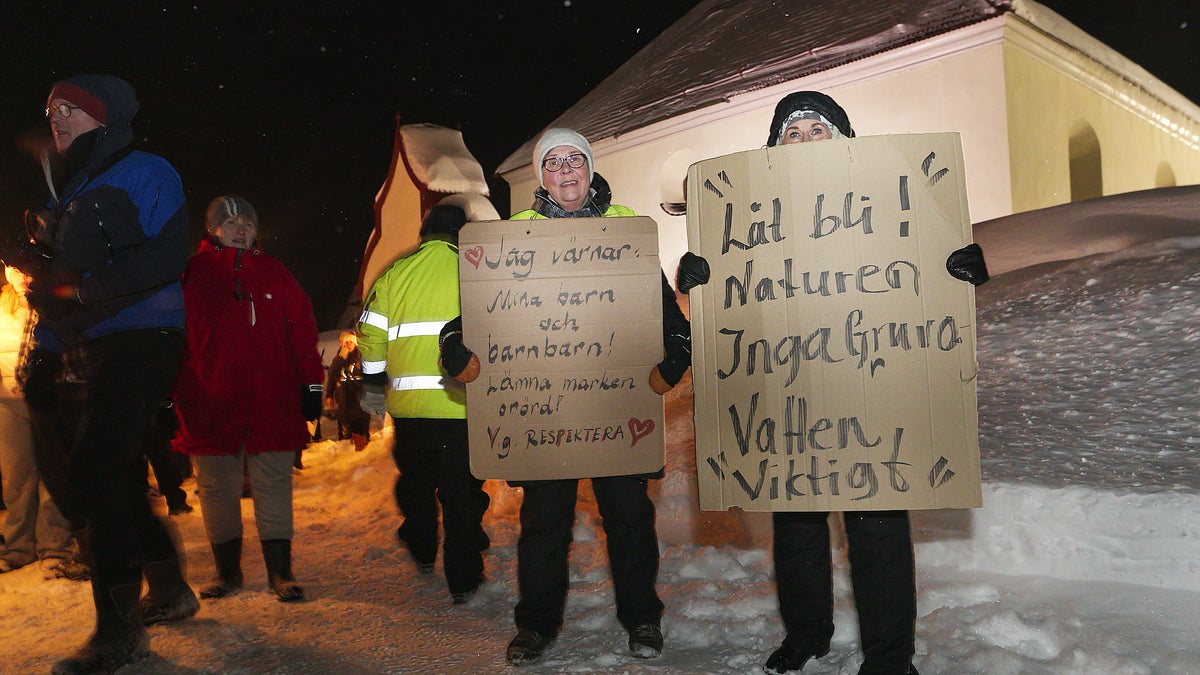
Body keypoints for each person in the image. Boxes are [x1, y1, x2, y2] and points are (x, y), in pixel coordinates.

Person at [677, 91, 988, 675]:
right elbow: (739, 293)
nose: (805, 141)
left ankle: (890, 658)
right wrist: (700, 278)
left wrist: (958, 268)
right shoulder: (754, 217)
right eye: (791, 134)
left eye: (816, 129)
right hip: (790, 386)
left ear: (842, 139)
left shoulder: (881, 198)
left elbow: (919, 255)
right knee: (797, 527)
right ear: (775, 149)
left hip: (869, 381)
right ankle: (807, 633)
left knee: (877, 528)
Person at [439, 128, 693, 666]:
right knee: (543, 523)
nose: (565, 171)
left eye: (574, 159)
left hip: (614, 403)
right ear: (541, 176)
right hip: (545, 409)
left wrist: (677, 347)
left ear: (590, 167)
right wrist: (453, 339)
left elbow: (661, 307)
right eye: (552, 163)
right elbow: (481, 310)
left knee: (629, 518)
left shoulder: (626, 229)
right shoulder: (514, 236)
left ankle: (642, 618)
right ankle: (536, 624)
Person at [23, 74, 198, 674]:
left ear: (105, 117)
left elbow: (167, 254)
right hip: (86, 343)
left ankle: (118, 635)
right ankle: (169, 590)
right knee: (107, 478)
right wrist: (45, 350)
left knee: (98, 471)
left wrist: (83, 290)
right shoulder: (65, 193)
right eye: (51, 108)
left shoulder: (145, 170)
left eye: (70, 108)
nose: (56, 116)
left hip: (145, 334)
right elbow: (56, 290)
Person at [172, 195, 324, 604]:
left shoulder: (275, 273)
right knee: (215, 488)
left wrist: (311, 385)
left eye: (248, 224)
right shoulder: (193, 275)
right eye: (231, 223)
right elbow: (173, 338)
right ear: (213, 230)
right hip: (209, 401)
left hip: (271, 399)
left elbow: (303, 330)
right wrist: (169, 394)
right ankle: (227, 572)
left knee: (273, 483)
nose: (241, 229)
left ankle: (281, 572)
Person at [357, 202, 490, 605]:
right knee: (460, 494)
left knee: (417, 484)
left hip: (410, 410)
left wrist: (374, 385)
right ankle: (464, 580)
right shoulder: (473, 271)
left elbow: (370, 334)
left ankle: (421, 548)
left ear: (426, 231)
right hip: (461, 407)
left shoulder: (395, 273)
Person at [0, 264, 75, 577]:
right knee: (16, 477)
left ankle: (55, 547)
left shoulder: (52, 301)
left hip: (47, 398)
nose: (21, 277)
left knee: (51, 474)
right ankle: (17, 547)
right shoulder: (3, 306)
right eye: (14, 270)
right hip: (8, 400)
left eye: (26, 270)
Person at [325, 330, 370, 450]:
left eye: (351, 342)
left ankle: (362, 446)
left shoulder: (361, 356)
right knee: (347, 422)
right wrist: (329, 395)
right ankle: (351, 445)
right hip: (344, 397)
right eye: (346, 342)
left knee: (360, 423)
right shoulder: (340, 358)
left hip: (359, 396)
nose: (348, 344)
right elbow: (333, 374)